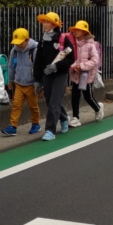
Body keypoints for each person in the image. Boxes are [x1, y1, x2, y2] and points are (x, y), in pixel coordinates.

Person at [35, 12, 74, 141]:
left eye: (48, 22)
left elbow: (71, 59)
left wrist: (56, 66)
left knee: (54, 102)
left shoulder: (63, 39)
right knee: (49, 101)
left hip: (60, 74)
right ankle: (64, 118)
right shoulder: (42, 40)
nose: (44, 24)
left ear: (54, 24)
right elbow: (38, 61)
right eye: (44, 22)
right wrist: (37, 79)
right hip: (47, 75)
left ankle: (50, 130)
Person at [3, 28, 42, 136]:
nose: (19, 45)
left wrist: (39, 83)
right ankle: (13, 126)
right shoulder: (15, 51)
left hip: (31, 84)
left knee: (33, 106)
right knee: (16, 105)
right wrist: (10, 80)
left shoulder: (34, 50)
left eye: (21, 42)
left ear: (27, 40)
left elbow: (39, 67)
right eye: (17, 43)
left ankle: (35, 124)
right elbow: (11, 66)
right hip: (19, 83)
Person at [67, 21, 104, 127]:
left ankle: (98, 108)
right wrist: (73, 66)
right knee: (75, 95)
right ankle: (76, 117)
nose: (75, 32)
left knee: (88, 96)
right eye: (75, 30)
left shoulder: (91, 45)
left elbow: (95, 60)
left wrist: (82, 66)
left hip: (86, 76)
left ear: (84, 32)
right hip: (75, 75)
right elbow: (68, 57)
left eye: (78, 30)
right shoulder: (72, 44)